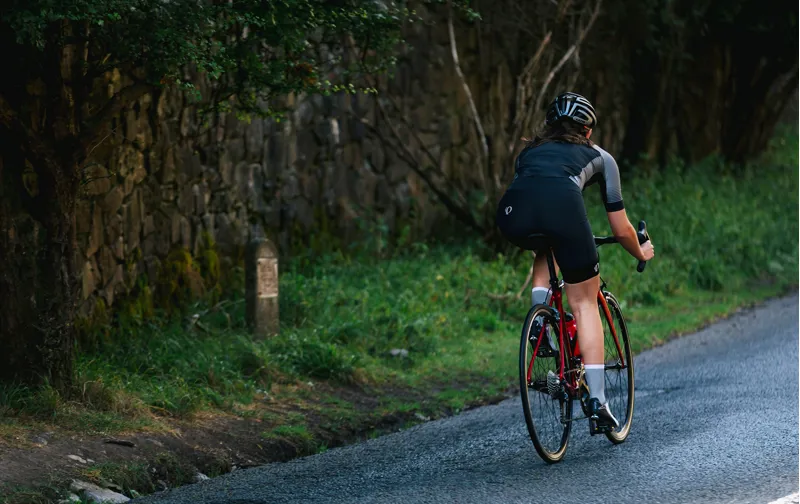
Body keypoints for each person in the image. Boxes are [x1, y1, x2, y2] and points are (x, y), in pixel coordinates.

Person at [495, 92, 655, 429]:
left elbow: (538, 193)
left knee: (545, 245)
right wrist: (640, 251)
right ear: (587, 131)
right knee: (584, 303)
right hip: (562, 212)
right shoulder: (600, 157)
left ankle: (539, 317)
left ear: (549, 126)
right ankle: (597, 400)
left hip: (512, 216)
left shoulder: (528, 153)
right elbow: (621, 227)